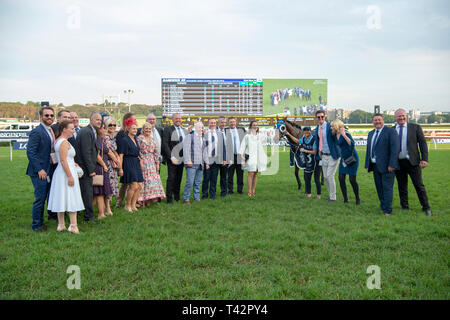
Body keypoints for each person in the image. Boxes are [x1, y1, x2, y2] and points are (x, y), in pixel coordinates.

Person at [47, 121, 85, 234]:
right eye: (72, 128)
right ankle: (73, 225)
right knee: (71, 196)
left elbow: (65, 159)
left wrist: (73, 163)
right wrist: (69, 176)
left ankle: (61, 224)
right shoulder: (63, 142)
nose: (73, 130)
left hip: (65, 170)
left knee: (62, 197)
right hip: (65, 173)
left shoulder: (59, 141)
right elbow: (63, 160)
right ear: (64, 129)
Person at [393, 108, 431, 216]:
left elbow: (423, 143)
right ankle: (404, 206)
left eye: (403, 115)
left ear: (406, 116)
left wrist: (424, 159)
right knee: (402, 186)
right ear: (395, 118)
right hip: (398, 163)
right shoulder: (392, 130)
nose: (401, 118)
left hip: (413, 162)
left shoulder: (415, 127)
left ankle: (426, 207)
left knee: (419, 185)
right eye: (399, 116)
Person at [26, 106, 56, 232]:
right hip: (39, 172)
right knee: (40, 199)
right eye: (46, 115)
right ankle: (36, 225)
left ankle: (41, 222)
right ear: (41, 117)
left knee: (44, 197)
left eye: (51, 115)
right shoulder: (37, 131)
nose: (49, 117)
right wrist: (39, 169)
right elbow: (30, 152)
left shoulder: (49, 130)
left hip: (48, 169)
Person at [365, 113, 399, 216]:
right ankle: (383, 206)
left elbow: (395, 149)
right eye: (375, 120)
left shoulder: (391, 132)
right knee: (379, 188)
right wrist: (367, 164)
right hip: (375, 165)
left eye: (379, 120)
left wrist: (392, 164)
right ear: (372, 122)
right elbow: (368, 150)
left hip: (387, 166)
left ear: (383, 121)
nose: (377, 122)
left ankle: (387, 210)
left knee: (387, 188)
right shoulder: (371, 133)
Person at [76, 112, 102, 224]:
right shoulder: (87, 132)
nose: (99, 122)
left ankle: (86, 215)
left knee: (87, 192)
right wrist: (91, 170)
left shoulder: (90, 131)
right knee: (87, 193)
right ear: (90, 120)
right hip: (85, 169)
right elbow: (86, 152)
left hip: (86, 168)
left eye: (100, 120)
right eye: (96, 119)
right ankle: (89, 217)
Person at [239, 120, 271, 197]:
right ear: (250, 126)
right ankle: (249, 191)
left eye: (256, 125)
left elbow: (269, 140)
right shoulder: (247, 136)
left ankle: (253, 190)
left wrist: (269, 135)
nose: (255, 126)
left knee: (255, 174)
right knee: (251, 173)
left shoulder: (260, 135)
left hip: (258, 158)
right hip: (250, 157)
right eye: (253, 125)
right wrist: (241, 156)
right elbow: (242, 146)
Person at [285, 126, 320, 198]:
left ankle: (318, 195)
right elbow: (297, 141)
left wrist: (305, 150)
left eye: (308, 130)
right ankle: (309, 194)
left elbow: (314, 152)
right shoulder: (303, 139)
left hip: (316, 162)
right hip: (308, 162)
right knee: (307, 178)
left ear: (310, 131)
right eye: (305, 131)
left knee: (316, 179)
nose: (306, 132)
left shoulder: (314, 140)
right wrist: (288, 134)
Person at [137, 122, 166, 207]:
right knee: (144, 181)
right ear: (143, 129)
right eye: (146, 129)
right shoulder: (139, 138)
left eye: (149, 129)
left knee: (152, 182)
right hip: (143, 162)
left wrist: (157, 163)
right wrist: (140, 161)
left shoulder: (152, 139)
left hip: (152, 163)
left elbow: (156, 152)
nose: (148, 130)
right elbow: (137, 151)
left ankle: (150, 199)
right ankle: (141, 200)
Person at [331, 120, 360, 205]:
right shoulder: (334, 135)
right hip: (344, 159)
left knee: (352, 179)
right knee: (341, 178)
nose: (331, 128)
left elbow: (352, 144)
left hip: (352, 159)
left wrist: (343, 135)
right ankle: (345, 199)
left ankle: (357, 198)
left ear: (336, 126)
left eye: (332, 126)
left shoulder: (346, 134)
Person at [314, 110, 341, 202]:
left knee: (330, 176)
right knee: (325, 177)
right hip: (323, 156)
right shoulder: (317, 128)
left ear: (325, 117)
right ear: (316, 118)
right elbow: (317, 142)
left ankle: (333, 198)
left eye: (322, 117)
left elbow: (336, 137)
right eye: (318, 117)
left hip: (333, 155)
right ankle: (331, 196)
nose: (320, 118)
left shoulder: (330, 126)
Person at [93, 123, 118, 219]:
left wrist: (117, 161)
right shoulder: (96, 141)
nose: (104, 130)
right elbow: (96, 155)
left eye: (104, 128)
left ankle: (96, 212)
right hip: (100, 167)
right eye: (102, 129)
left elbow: (109, 152)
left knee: (103, 192)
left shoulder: (101, 140)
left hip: (104, 167)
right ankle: (100, 214)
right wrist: (104, 165)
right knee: (99, 192)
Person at [118, 122, 144, 212]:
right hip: (128, 163)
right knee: (133, 185)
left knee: (139, 185)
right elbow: (121, 155)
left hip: (136, 163)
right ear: (128, 129)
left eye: (136, 129)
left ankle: (133, 205)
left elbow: (138, 153)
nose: (135, 130)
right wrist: (120, 168)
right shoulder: (124, 140)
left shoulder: (135, 139)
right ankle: (127, 205)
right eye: (133, 128)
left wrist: (141, 162)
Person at [162, 113, 186, 204]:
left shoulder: (183, 130)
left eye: (179, 118)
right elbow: (165, 144)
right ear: (172, 119)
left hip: (182, 158)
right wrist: (171, 157)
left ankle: (177, 196)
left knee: (179, 178)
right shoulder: (168, 129)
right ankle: (169, 198)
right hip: (172, 158)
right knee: (171, 178)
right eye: (176, 118)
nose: (178, 120)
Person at [182, 122, 209, 204]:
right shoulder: (189, 136)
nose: (201, 129)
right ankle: (186, 199)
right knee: (189, 182)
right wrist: (188, 160)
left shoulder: (203, 139)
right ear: (195, 128)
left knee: (197, 182)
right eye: (199, 127)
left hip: (200, 164)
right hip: (191, 164)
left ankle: (196, 199)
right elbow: (186, 150)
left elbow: (204, 152)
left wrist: (207, 163)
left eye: (202, 127)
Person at [115, 112, 136, 208]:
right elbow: (120, 151)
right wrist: (120, 166)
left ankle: (129, 202)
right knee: (125, 183)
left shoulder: (134, 132)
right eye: (133, 120)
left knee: (129, 183)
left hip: (133, 161)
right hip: (124, 161)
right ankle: (119, 202)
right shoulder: (121, 134)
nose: (135, 121)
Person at [103, 116, 120, 214]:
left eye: (114, 125)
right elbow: (108, 151)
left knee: (112, 185)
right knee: (108, 185)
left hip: (113, 164)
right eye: (110, 125)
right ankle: (107, 208)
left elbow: (115, 150)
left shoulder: (112, 137)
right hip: (108, 163)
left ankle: (108, 207)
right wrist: (116, 160)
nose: (112, 127)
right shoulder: (105, 137)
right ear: (105, 125)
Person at [225, 117, 246, 195]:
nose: (232, 123)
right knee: (230, 174)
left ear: (236, 122)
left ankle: (240, 190)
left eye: (233, 122)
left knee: (240, 174)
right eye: (230, 122)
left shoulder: (241, 130)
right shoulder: (225, 130)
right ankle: (230, 191)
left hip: (240, 156)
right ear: (228, 123)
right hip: (230, 156)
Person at [202, 118, 221, 200]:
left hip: (216, 159)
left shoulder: (219, 134)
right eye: (211, 123)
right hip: (207, 159)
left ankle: (212, 195)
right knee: (206, 178)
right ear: (208, 124)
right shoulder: (204, 134)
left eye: (214, 123)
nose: (213, 124)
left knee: (214, 178)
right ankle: (204, 195)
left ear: (216, 124)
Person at [216, 116, 229, 197]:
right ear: (218, 123)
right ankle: (211, 193)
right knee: (213, 177)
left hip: (225, 158)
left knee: (224, 177)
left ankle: (224, 192)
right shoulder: (214, 131)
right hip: (216, 158)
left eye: (224, 122)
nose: (223, 124)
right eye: (222, 122)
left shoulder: (227, 131)